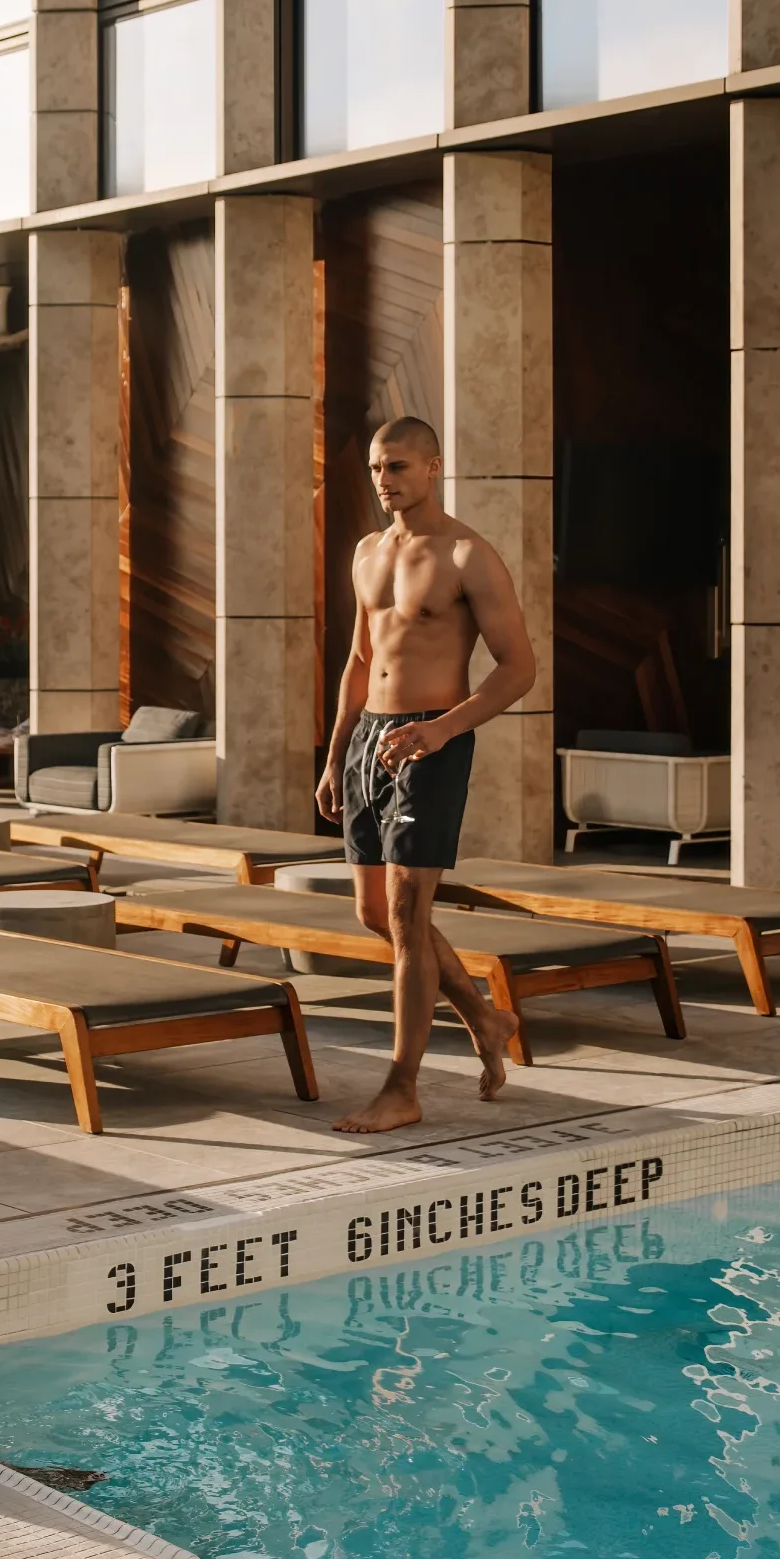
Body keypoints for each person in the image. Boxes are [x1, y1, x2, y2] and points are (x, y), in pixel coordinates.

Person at [317, 417, 537, 1132]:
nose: (385, 480)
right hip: (367, 743)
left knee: (411, 918)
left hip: (430, 741)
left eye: (400, 467)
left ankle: (401, 1088)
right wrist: (334, 753)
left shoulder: (469, 555)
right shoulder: (365, 552)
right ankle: (483, 1015)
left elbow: (520, 669)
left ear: (435, 467)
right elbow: (358, 660)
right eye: (378, 468)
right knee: (374, 914)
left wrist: (441, 730)